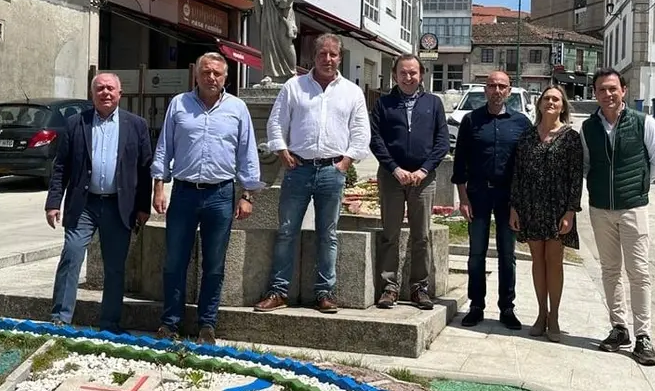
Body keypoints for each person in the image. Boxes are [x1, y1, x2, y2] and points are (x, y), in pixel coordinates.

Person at [254, 33, 371, 314]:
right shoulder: (294, 87)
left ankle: (324, 293)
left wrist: (345, 163)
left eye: (333, 54)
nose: (327, 59)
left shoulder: (352, 92)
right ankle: (279, 291)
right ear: (313, 57)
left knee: (327, 235)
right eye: (322, 54)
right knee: (286, 231)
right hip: (298, 170)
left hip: (332, 171)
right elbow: (275, 123)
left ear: (340, 57)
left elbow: (361, 133)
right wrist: (282, 152)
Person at [151, 53, 262, 345]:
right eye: (206, 72)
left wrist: (247, 194)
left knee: (214, 264)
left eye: (217, 74)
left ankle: (207, 325)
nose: (211, 78)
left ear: (226, 78)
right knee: (175, 260)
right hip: (185, 193)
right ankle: (170, 323)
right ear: (196, 76)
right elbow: (165, 147)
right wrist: (158, 186)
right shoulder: (179, 104)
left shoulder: (237, 108)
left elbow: (247, 153)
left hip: (221, 195)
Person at [45, 73, 152, 333]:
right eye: (100, 88)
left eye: (110, 88)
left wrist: (142, 207)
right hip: (84, 205)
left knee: (114, 267)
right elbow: (61, 166)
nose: (105, 93)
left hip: (119, 206)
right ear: (92, 94)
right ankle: (60, 318)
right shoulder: (75, 123)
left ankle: (109, 323)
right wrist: (53, 202)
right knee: (71, 255)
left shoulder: (136, 125)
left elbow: (145, 169)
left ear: (119, 94)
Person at [581, 68, 655, 366]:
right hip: (601, 208)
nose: (607, 94)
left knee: (639, 272)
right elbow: (586, 165)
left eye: (612, 88)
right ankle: (619, 328)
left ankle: (644, 336)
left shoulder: (644, 123)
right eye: (602, 90)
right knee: (610, 270)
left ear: (623, 91)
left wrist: (638, 188)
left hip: (633, 208)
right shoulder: (589, 128)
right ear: (595, 94)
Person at [451, 71, 532, 329]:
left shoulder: (521, 123)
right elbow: (459, 162)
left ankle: (507, 308)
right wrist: (463, 198)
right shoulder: (471, 121)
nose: (497, 90)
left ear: (509, 91)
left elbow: (526, 166)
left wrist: (519, 204)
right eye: (492, 86)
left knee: (508, 254)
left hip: (509, 198)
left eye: (502, 86)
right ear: (485, 90)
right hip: (478, 195)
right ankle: (476, 306)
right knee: (476, 254)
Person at [369, 54, 450, 310]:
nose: (408, 77)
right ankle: (389, 287)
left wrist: (425, 170)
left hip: (423, 180)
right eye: (403, 73)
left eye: (413, 72)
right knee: (390, 234)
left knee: (421, 236)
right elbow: (375, 139)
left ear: (421, 75)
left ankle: (419, 288)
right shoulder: (384, 103)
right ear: (395, 75)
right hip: (393, 178)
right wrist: (395, 169)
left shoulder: (434, 104)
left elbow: (442, 142)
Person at [509, 85, 583, 342]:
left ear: (563, 105)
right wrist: (514, 207)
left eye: (556, 99)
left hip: (557, 209)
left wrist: (570, 211)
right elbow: (517, 175)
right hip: (530, 206)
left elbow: (576, 178)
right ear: (539, 104)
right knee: (537, 262)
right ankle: (541, 313)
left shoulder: (571, 138)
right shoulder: (527, 136)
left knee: (555, 262)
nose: (551, 102)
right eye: (546, 98)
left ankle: (555, 317)